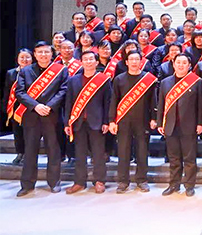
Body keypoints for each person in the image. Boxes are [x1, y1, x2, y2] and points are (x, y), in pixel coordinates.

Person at [15, 41, 69, 197]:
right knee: (30, 151)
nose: (43, 55)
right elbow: (20, 92)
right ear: (35, 54)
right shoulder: (25, 71)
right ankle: (27, 184)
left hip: (52, 116)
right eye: (40, 52)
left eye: (46, 52)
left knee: (54, 150)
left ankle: (54, 183)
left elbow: (63, 90)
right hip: (31, 116)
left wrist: (49, 106)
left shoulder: (60, 70)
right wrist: (36, 106)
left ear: (52, 54)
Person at [108, 50, 158, 194]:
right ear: (126, 62)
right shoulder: (119, 79)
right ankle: (123, 181)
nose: (134, 62)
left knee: (142, 151)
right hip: (123, 121)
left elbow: (153, 100)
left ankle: (142, 180)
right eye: (132, 59)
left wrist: (154, 118)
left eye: (137, 59)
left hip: (143, 120)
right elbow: (114, 101)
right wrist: (112, 120)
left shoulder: (148, 79)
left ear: (141, 61)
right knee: (123, 151)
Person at [63, 51, 111, 194]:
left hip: (97, 121)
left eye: (91, 59)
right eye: (86, 59)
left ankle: (99, 181)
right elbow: (69, 102)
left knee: (98, 153)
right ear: (81, 62)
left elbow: (108, 102)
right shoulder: (73, 80)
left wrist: (106, 121)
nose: (89, 62)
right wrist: (67, 123)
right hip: (78, 122)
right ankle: (79, 182)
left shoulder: (103, 79)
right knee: (80, 154)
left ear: (97, 62)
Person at [157, 54, 202, 197]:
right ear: (173, 64)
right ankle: (174, 184)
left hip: (189, 126)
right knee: (174, 158)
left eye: (184, 63)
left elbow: (200, 105)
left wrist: (200, 123)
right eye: (178, 62)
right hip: (171, 125)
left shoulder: (196, 82)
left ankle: (189, 185)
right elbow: (161, 104)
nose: (181, 65)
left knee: (189, 158)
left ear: (189, 65)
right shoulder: (165, 82)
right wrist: (160, 123)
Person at [2, 48, 32, 165]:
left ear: (32, 58)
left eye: (27, 57)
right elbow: (7, 90)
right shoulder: (11, 73)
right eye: (22, 57)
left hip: (30, 107)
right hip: (15, 107)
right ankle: (20, 153)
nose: (25, 60)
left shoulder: (35, 72)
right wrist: (5, 105)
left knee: (29, 132)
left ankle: (28, 154)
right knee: (17, 132)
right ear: (18, 59)